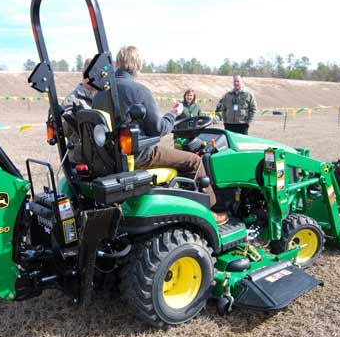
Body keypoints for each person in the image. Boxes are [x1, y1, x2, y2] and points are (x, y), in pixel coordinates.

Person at [92, 46, 226, 224]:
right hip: (141, 155)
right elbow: (159, 128)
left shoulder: (100, 93)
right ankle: (209, 212)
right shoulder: (139, 91)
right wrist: (173, 114)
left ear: (117, 63)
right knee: (194, 160)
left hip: (109, 158)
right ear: (137, 65)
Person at [61, 58, 96, 163]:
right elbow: (64, 130)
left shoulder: (104, 96)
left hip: (104, 157)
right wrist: (74, 118)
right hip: (81, 159)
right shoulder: (72, 100)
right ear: (84, 74)